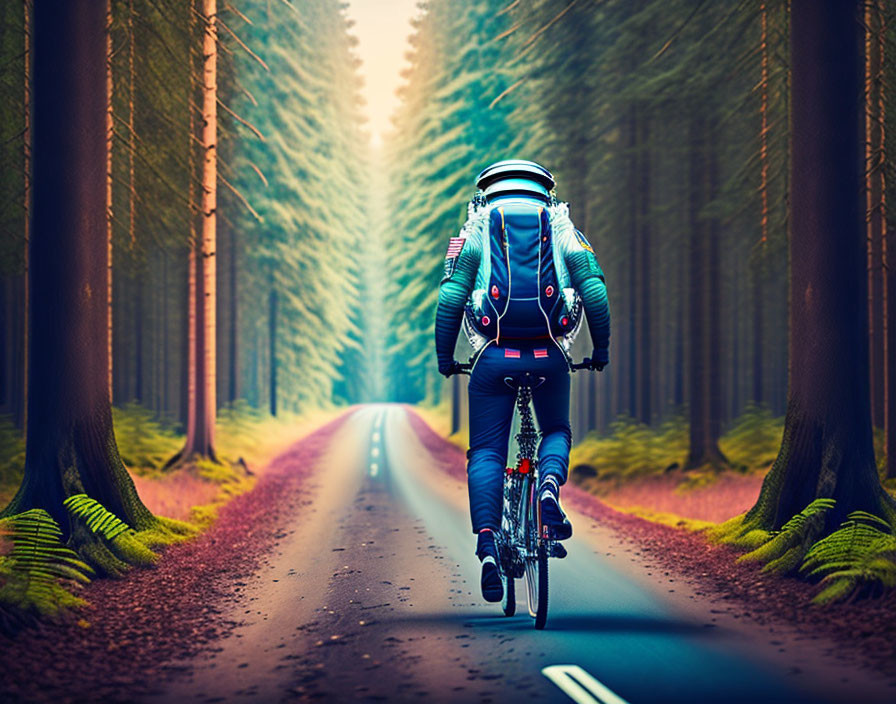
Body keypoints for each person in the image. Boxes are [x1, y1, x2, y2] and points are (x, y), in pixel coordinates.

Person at [434, 159, 611, 603]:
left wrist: (445, 356)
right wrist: (601, 349)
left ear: (486, 191)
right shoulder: (560, 222)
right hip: (550, 355)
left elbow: (452, 294)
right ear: (544, 189)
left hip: (493, 356)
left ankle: (489, 544)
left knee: (488, 451)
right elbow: (593, 289)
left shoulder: (477, 226)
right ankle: (548, 488)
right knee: (555, 431)